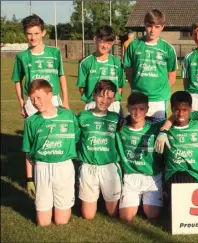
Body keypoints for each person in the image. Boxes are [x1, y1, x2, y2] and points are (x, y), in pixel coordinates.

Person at [22, 79, 79, 226]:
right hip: (42, 168)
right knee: (43, 223)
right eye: (32, 99)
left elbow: (76, 138)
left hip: (63, 167)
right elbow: (28, 153)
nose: (35, 102)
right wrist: (29, 179)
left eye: (39, 98)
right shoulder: (31, 122)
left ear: (50, 95)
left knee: (61, 221)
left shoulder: (68, 116)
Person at [77, 80, 122, 220]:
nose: (105, 101)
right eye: (102, 96)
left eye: (109, 98)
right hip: (88, 167)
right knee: (88, 216)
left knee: (112, 213)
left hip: (109, 167)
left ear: (114, 99)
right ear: (94, 94)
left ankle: (108, 195)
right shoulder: (82, 117)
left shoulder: (116, 119)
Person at [116, 92, 163, 222]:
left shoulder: (156, 126)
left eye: (142, 109)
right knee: (126, 217)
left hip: (152, 177)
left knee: (152, 215)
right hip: (131, 177)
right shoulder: (120, 127)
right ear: (128, 108)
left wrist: (164, 132)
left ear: (147, 109)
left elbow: (173, 119)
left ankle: (159, 195)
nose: (137, 113)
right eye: (134, 109)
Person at [123, 9, 177, 120]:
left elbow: (172, 76)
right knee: (135, 131)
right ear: (144, 25)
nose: (152, 30)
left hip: (159, 100)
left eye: (157, 27)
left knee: (157, 133)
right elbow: (129, 73)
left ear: (162, 26)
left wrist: (159, 92)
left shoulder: (168, 49)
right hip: (138, 98)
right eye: (149, 26)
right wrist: (137, 89)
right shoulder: (133, 46)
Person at [12, 14, 69, 118]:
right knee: (35, 132)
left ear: (43, 33)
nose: (33, 37)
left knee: (54, 131)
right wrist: (22, 104)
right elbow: (17, 80)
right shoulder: (21, 56)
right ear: (25, 34)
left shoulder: (55, 52)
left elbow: (61, 75)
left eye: (36, 33)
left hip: (53, 99)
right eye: (29, 34)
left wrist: (65, 101)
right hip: (33, 101)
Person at [161, 91, 198, 208]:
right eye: (177, 109)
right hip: (173, 174)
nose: (180, 113)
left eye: (184, 110)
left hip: (194, 174)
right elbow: (143, 121)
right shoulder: (164, 127)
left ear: (190, 109)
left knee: (191, 211)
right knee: (176, 213)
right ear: (172, 109)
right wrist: (162, 131)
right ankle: (165, 194)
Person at [77, 25, 125, 115]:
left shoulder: (117, 63)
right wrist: (90, 101)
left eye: (109, 43)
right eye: (102, 42)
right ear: (95, 39)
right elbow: (82, 87)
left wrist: (113, 100)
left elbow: (120, 87)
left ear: (113, 43)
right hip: (93, 104)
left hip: (113, 105)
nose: (105, 46)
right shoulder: (85, 63)